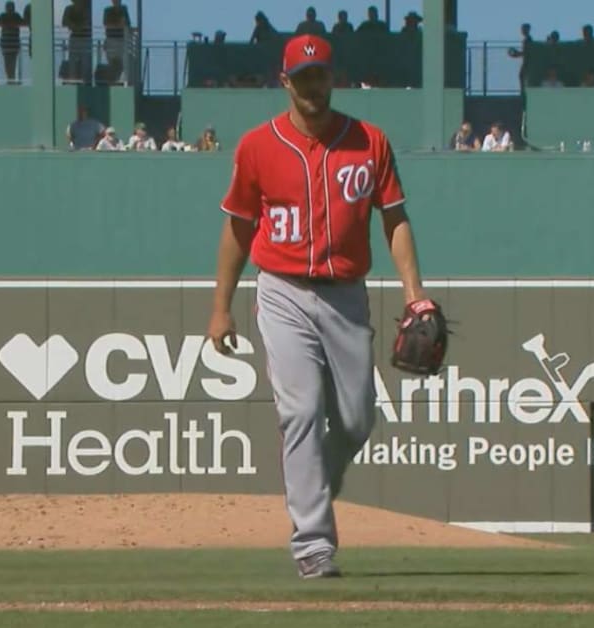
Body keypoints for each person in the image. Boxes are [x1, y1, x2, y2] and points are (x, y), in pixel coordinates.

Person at [208, 34, 430, 580]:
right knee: (302, 411)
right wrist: (221, 307)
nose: (313, 84)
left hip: (346, 294)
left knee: (356, 420)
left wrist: (414, 294)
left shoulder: (369, 141)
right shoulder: (257, 146)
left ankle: (313, 485)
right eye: (303, 76)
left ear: (333, 77)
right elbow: (238, 229)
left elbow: (395, 220)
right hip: (281, 289)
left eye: (320, 74)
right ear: (285, 82)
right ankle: (312, 543)